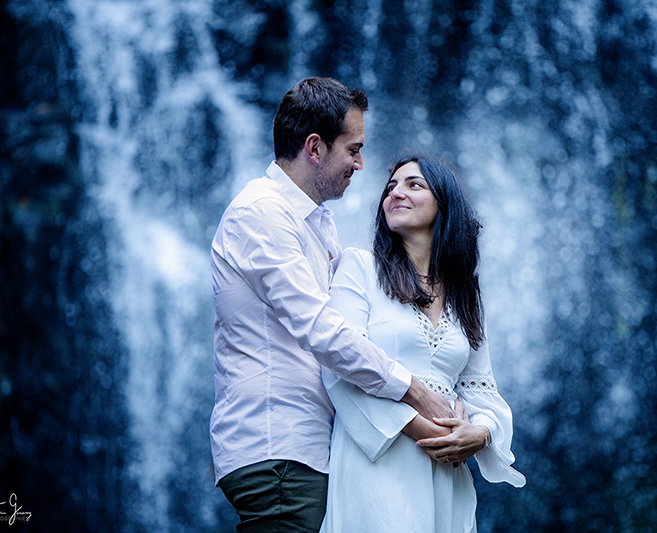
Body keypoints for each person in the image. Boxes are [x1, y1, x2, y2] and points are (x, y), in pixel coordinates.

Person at [209, 78, 453, 533]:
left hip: (310, 449)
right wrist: (414, 391)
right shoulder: (260, 213)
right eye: (354, 149)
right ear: (315, 147)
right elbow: (320, 328)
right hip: (279, 447)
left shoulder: (316, 222)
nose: (361, 165)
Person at [319, 154, 526, 533]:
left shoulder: (465, 293)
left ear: (444, 204)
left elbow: (483, 391)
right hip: (379, 458)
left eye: (414, 184)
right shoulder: (360, 268)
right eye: (390, 187)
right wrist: (420, 427)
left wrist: (480, 433)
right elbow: (337, 366)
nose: (396, 192)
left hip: (447, 467)